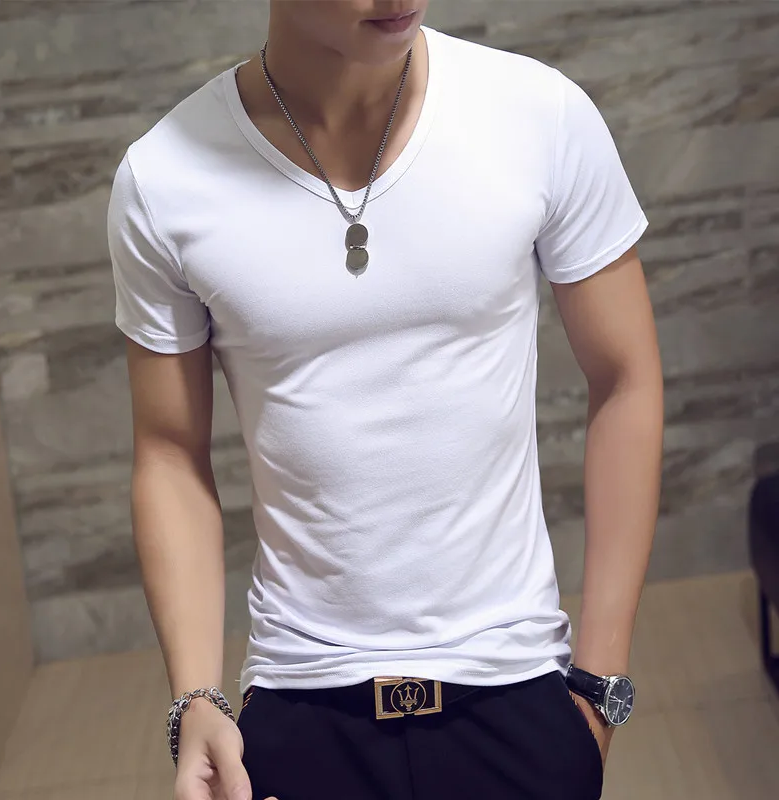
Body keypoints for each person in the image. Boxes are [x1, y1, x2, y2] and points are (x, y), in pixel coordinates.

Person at [107, 1, 663, 798]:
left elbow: (626, 379)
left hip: (513, 687)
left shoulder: (539, 115)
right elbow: (169, 453)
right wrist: (196, 697)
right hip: (302, 696)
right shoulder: (164, 180)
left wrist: (600, 685)